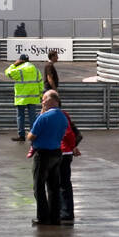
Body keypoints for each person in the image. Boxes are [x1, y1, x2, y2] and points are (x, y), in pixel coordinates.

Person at [27, 90, 69, 226]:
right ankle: (55, 216)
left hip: (43, 153)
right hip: (57, 152)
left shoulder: (43, 117)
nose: (42, 102)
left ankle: (43, 216)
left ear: (51, 101)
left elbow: (31, 136)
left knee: (39, 186)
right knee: (53, 186)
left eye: (44, 99)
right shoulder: (63, 117)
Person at [53, 93, 82, 225]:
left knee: (61, 183)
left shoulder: (59, 116)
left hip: (61, 153)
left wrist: (71, 147)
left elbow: (71, 134)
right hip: (65, 152)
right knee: (63, 183)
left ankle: (65, 212)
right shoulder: (65, 115)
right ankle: (64, 211)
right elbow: (77, 134)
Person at [5, 53, 43, 142]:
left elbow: (8, 73)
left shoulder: (19, 69)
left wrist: (14, 64)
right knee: (32, 117)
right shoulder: (35, 69)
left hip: (21, 98)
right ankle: (33, 135)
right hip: (33, 97)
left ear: (21, 61)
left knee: (20, 116)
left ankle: (21, 136)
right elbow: (40, 82)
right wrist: (41, 95)